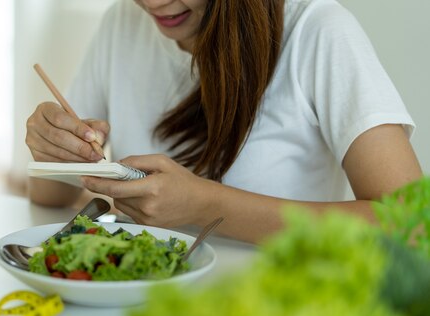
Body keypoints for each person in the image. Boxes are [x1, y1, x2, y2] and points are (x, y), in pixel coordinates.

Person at [25, 0, 423, 243]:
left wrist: (206, 206)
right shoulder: (121, 23)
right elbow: (48, 198)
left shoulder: (317, 31)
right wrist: (55, 148)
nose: (153, 3)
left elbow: (412, 228)